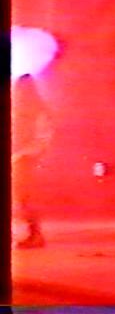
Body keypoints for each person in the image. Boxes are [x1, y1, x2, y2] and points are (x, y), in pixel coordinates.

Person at [11, 74, 53, 249]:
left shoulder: (38, 111)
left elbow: (43, 137)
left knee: (25, 199)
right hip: (19, 157)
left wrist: (25, 154)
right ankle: (32, 235)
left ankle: (35, 235)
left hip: (26, 159)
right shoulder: (19, 110)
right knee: (22, 200)